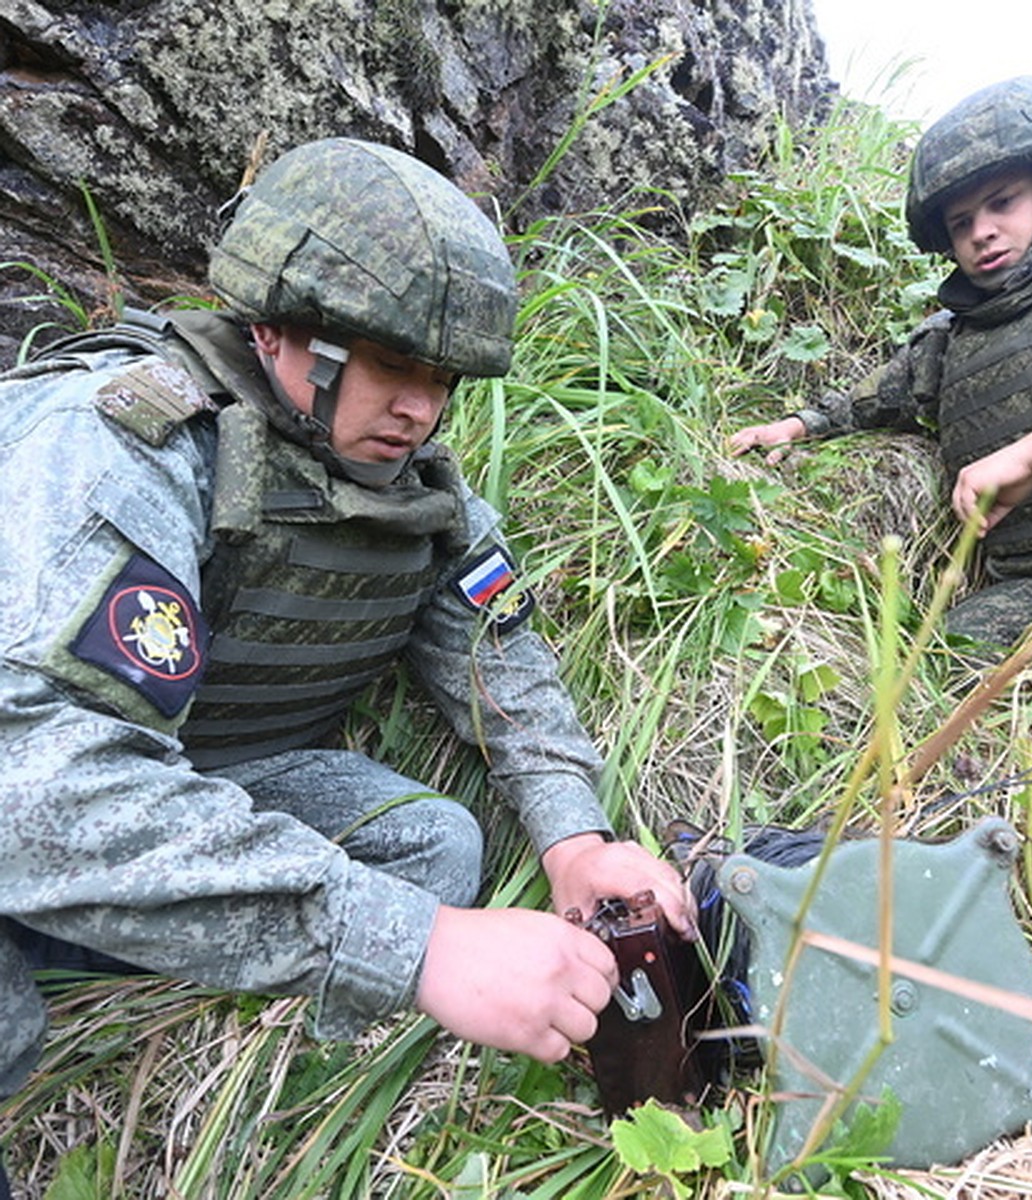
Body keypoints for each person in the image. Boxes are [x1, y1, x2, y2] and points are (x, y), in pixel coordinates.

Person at [0, 138, 695, 1193]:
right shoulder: (116, 445)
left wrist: (575, 837)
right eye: (393, 365)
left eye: (442, 379)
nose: (421, 408)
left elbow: (496, 655)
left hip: (210, 778)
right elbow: (37, 786)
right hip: (41, 787)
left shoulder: (422, 496)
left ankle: (192, 992)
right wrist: (411, 946)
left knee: (431, 844)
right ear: (283, 329)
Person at [730, 76, 1032, 875]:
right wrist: (797, 426)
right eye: (961, 221)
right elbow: (873, 398)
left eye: (1003, 204)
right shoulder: (955, 337)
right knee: (946, 665)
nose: (982, 233)